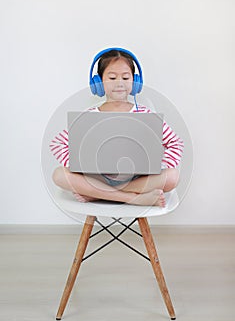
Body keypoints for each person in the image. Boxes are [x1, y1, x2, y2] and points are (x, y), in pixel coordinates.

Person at [50, 48, 184, 207]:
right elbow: (57, 144)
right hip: (97, 178)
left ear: (135, 82)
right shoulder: (89, 116)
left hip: (137, 179)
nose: (119, 82)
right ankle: (131, 198)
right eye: (112, 77)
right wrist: (78, 164)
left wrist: (159, 164)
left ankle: (99, 194)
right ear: (98, 83)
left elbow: (176, 143)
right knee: (59, 175)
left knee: (172, 176)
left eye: (126, 77)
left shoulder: (145, 114)